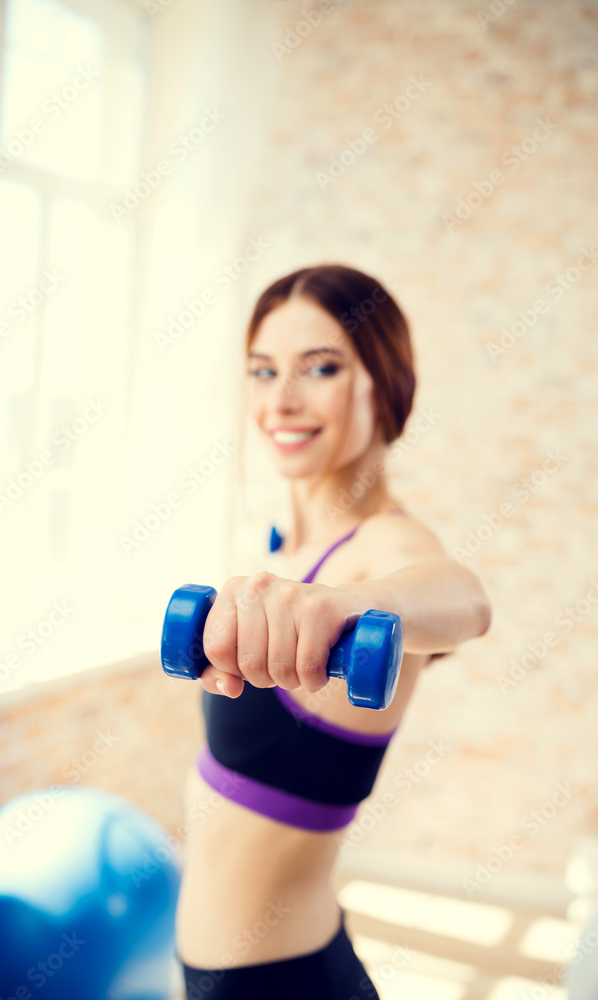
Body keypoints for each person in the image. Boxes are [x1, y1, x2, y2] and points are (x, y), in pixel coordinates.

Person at [173, 264, 492, 999]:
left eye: (320, 368)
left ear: (385, 380)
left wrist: (343, 606)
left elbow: (463, 600)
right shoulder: (280, 549)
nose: (280, 399)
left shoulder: (381, 548)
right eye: (262, 370)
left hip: (284, 983)